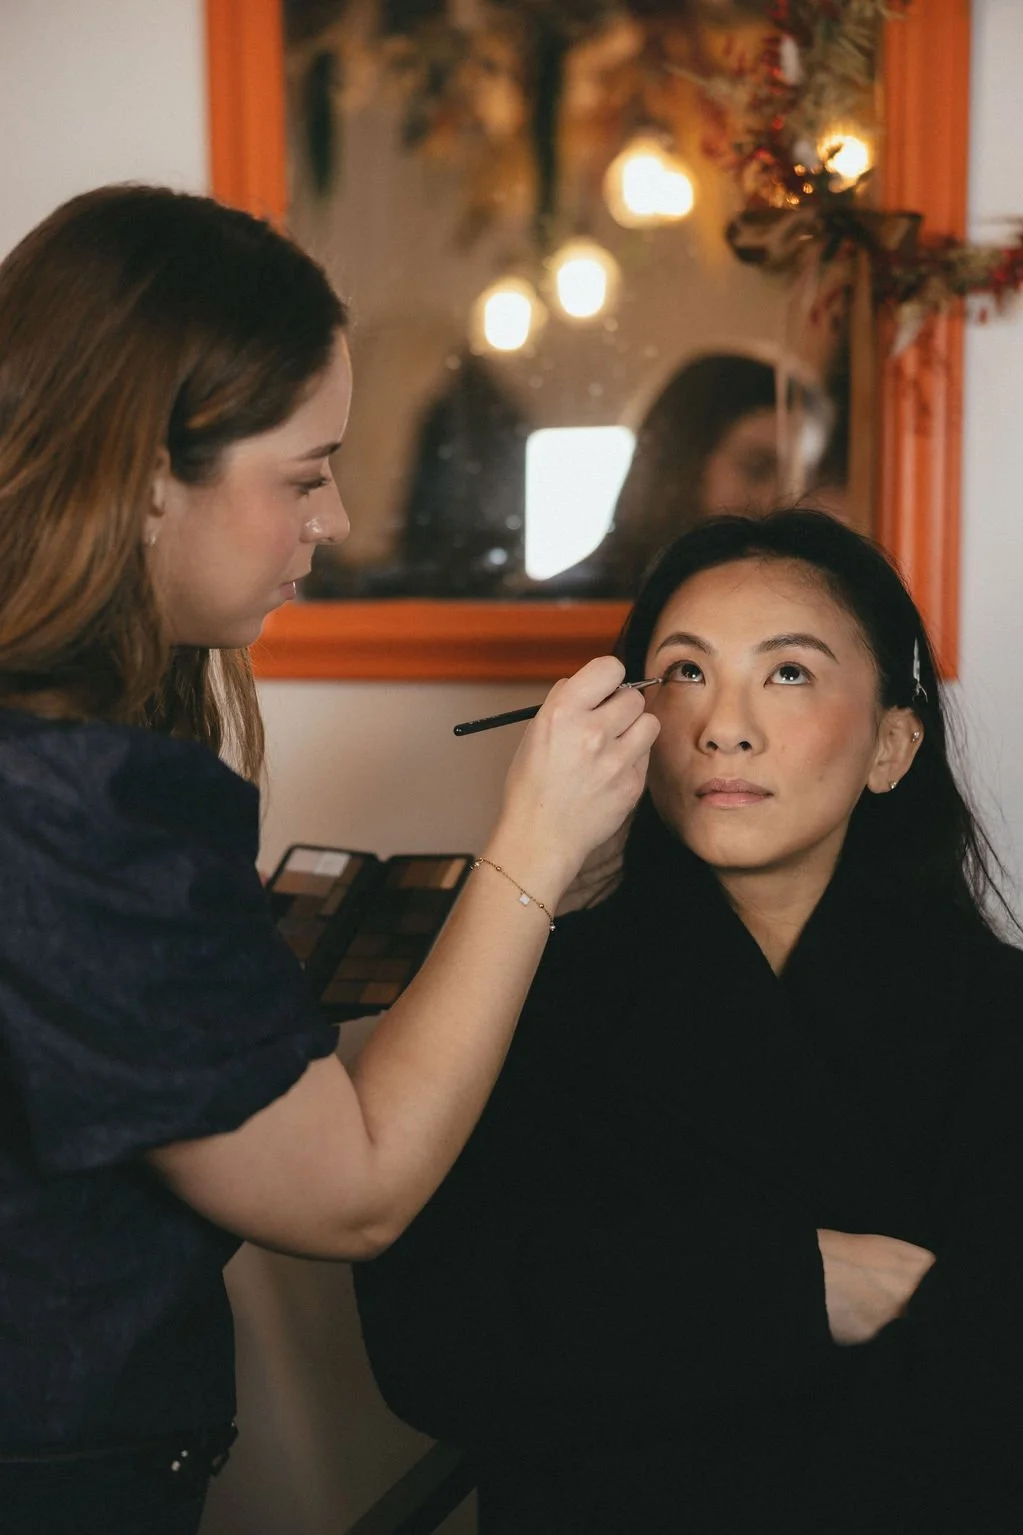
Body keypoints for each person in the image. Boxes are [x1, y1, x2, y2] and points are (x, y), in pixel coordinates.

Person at [0, 185, 660, 1534]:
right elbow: (351, 1192)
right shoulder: (74, 802)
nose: (341, 519)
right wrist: (531, 844)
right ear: (140, 474)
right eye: (301, 474)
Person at [355, 509, 1023, 1533]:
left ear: (892, 742)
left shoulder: (996, 1016)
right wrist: (793, 1285)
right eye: (685, 673)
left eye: (788, 672)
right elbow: (435, 1342)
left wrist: (637, 1318)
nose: (723, 725)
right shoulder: (522, 996)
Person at [547, 351, 835, 597]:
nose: (783, 498)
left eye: (801, 479)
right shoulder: (560, 605)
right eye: (756, 469)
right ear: (683, 465)